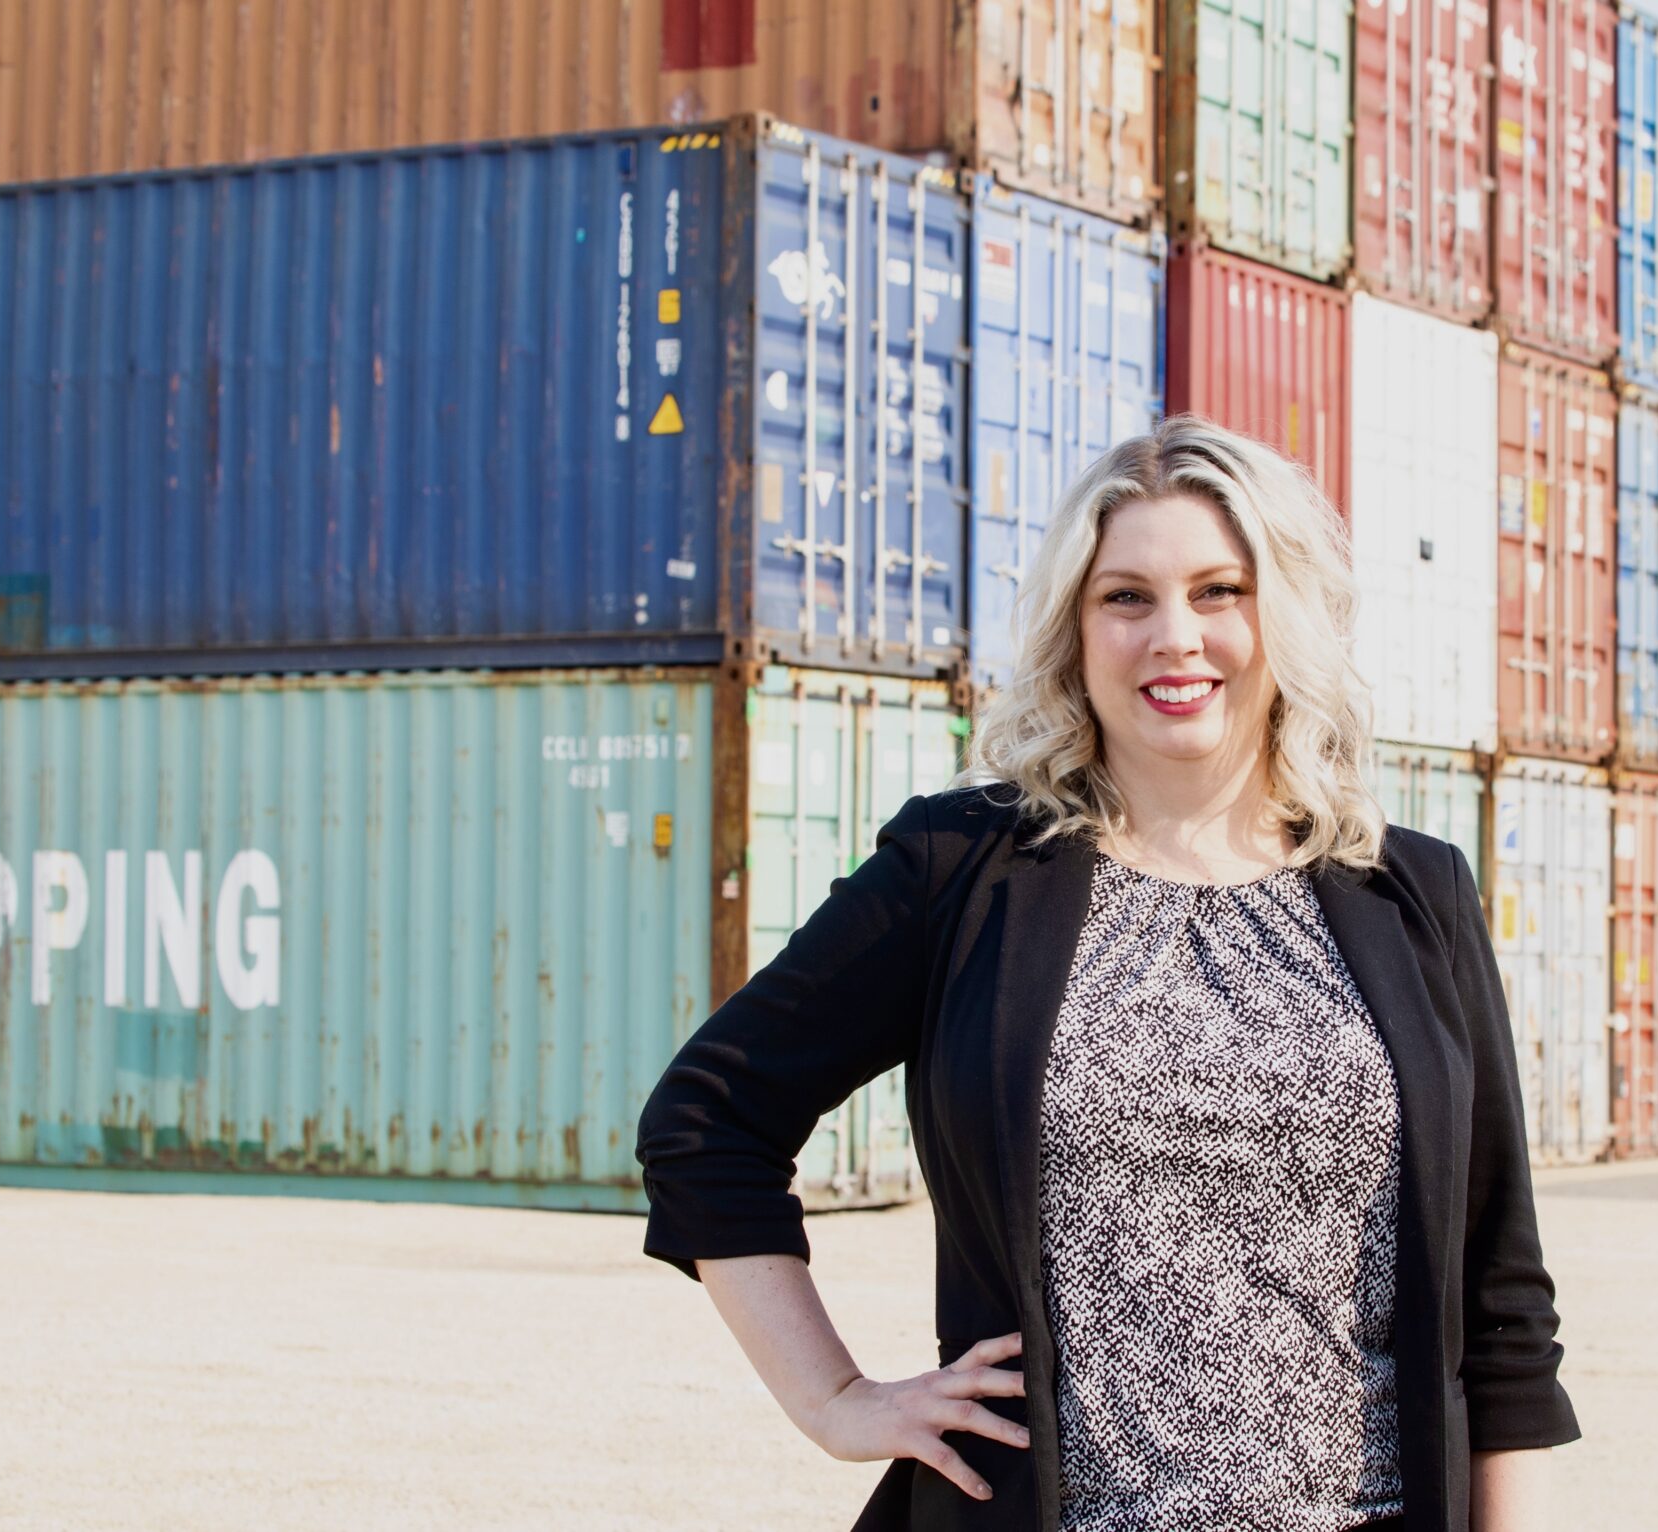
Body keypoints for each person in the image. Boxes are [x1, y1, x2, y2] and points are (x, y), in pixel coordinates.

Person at [635, 416, 1579, 1531]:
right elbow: (709, 1119)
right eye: (1125, 596)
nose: (1174, 636)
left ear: (1286, 614)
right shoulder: (960, 870)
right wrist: (837, 1399)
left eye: (1221, 589)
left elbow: (1502, 1302)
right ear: (1074, 632)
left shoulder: (1414, 894)